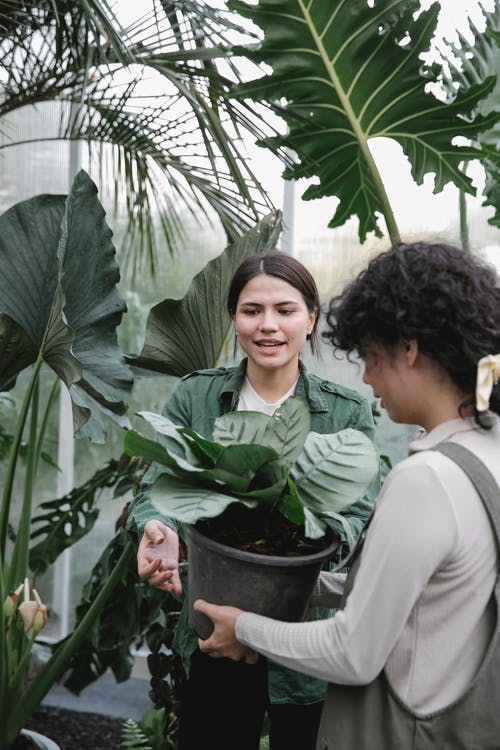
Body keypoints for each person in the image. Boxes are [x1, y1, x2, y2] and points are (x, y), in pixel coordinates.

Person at [195, 241, 500, 750]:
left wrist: (243, 626)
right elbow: (424, 592)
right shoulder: (488, 446)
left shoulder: (426, 479)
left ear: (409, 348)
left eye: (370, 356)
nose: (365, 376)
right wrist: (300, 584)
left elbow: (353, 653)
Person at [127, 252, 378, 750]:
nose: (268, 325)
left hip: (301, 633)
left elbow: (356, 515)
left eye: (285, 310)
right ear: (234, 319)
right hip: (214, 627)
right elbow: (159, 487)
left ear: (311, 319)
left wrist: (304, 533)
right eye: (251, 310)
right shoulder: (198, 397)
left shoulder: (346, 412)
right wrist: (158, 530)